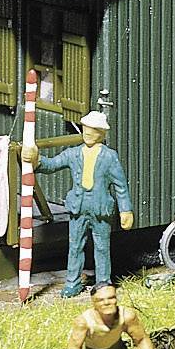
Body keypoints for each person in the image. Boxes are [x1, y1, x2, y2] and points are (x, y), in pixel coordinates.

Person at [22, 110, 133, 297]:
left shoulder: (109, 157)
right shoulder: (73, 154)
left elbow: (120, 186)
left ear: (102, 133)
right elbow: (52, 164)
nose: (88, 133)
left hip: (100, 209)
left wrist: (126, 210)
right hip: (78, 208)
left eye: (93, 130)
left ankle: (103, 283)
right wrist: (35, 159)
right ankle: (72, 283)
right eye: (85, 129)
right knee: (75, 246)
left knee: (102, 247)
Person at [62, 283, 152, 349]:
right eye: (100, 300)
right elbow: (74, 348)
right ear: (93, 303)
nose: (106, 303)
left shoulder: (127, 316)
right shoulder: (84, 322)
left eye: (111, 298)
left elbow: (142, 340)